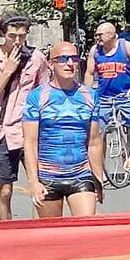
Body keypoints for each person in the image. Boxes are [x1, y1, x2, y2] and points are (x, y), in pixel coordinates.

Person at [19, 42, 106, 218]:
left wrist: (98, 179)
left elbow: (94, 142)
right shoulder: (38, 96)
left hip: (81, 174)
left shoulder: (90, 96)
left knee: (86, 226)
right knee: (50, 232)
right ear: (51, 64)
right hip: (48, 175)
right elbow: (30, 142)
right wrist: (34, 182)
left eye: (74, 58)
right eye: (63, 59)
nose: (70, 63)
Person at [0, 16, 48, 221]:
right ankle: (5, 230)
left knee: (39, 187)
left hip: (30, 130)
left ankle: (37, 230)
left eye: (22, 36)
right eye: (12, 36)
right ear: (2, 34)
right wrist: (7, 72)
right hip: (2, 132)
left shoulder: (36, 58)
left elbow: (44, 93)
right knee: (5, 190)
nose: (17, 41)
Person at [90, 19, 130, 171]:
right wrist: (87, 94)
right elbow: (89, 73)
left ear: (111, 34)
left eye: (100, 35)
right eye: (96, 35)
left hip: (126, 95)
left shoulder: (126, 47)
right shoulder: (95, 51)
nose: (97, 38)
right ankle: (99, 171)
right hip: (104, 98)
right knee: (97, 133)